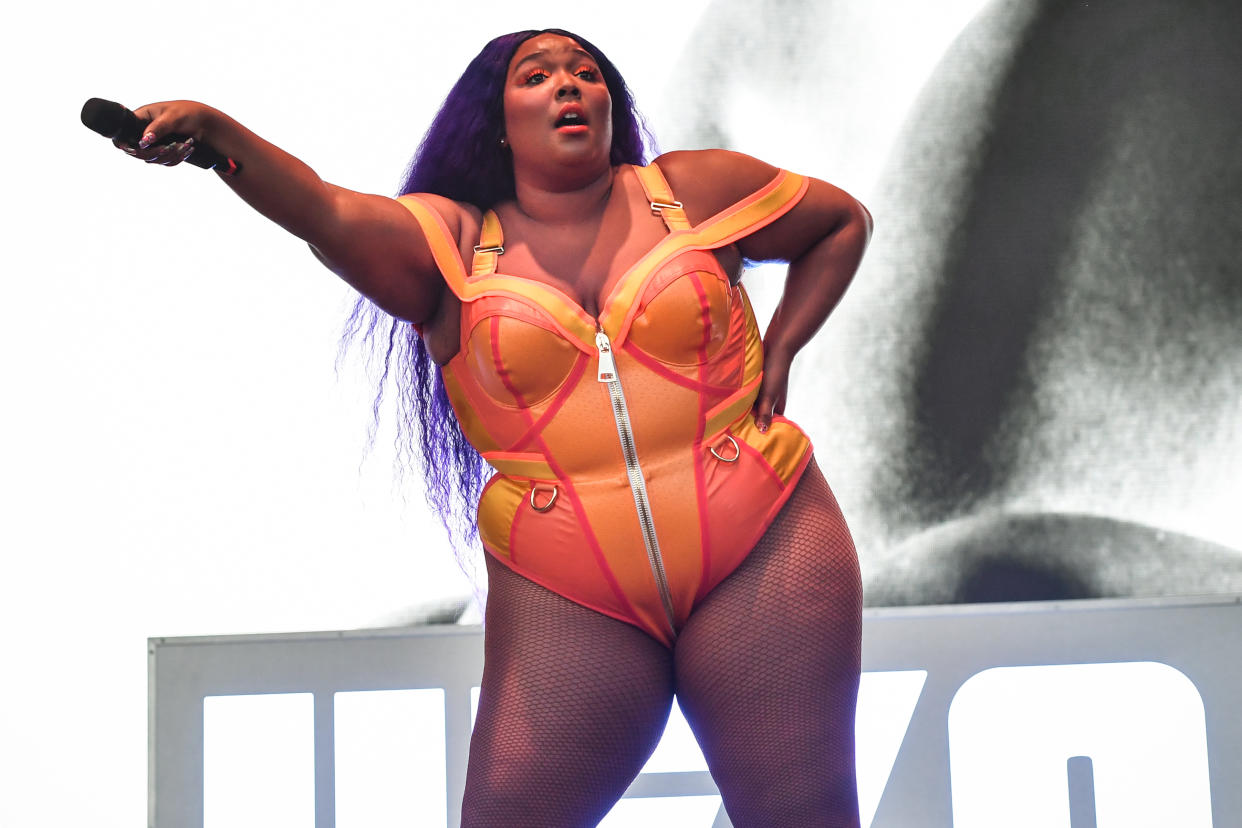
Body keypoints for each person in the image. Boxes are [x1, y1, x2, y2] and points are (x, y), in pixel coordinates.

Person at [116, 28, 872, 827]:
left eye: (587, 74)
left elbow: (839, 222)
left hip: (764, 542)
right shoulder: (455, 243)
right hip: (573, 592)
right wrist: (216, 135)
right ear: (499, 122)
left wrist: (783, 347)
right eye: (538, 76)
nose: (568, 86)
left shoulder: (688, 191)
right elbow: (325, 210)